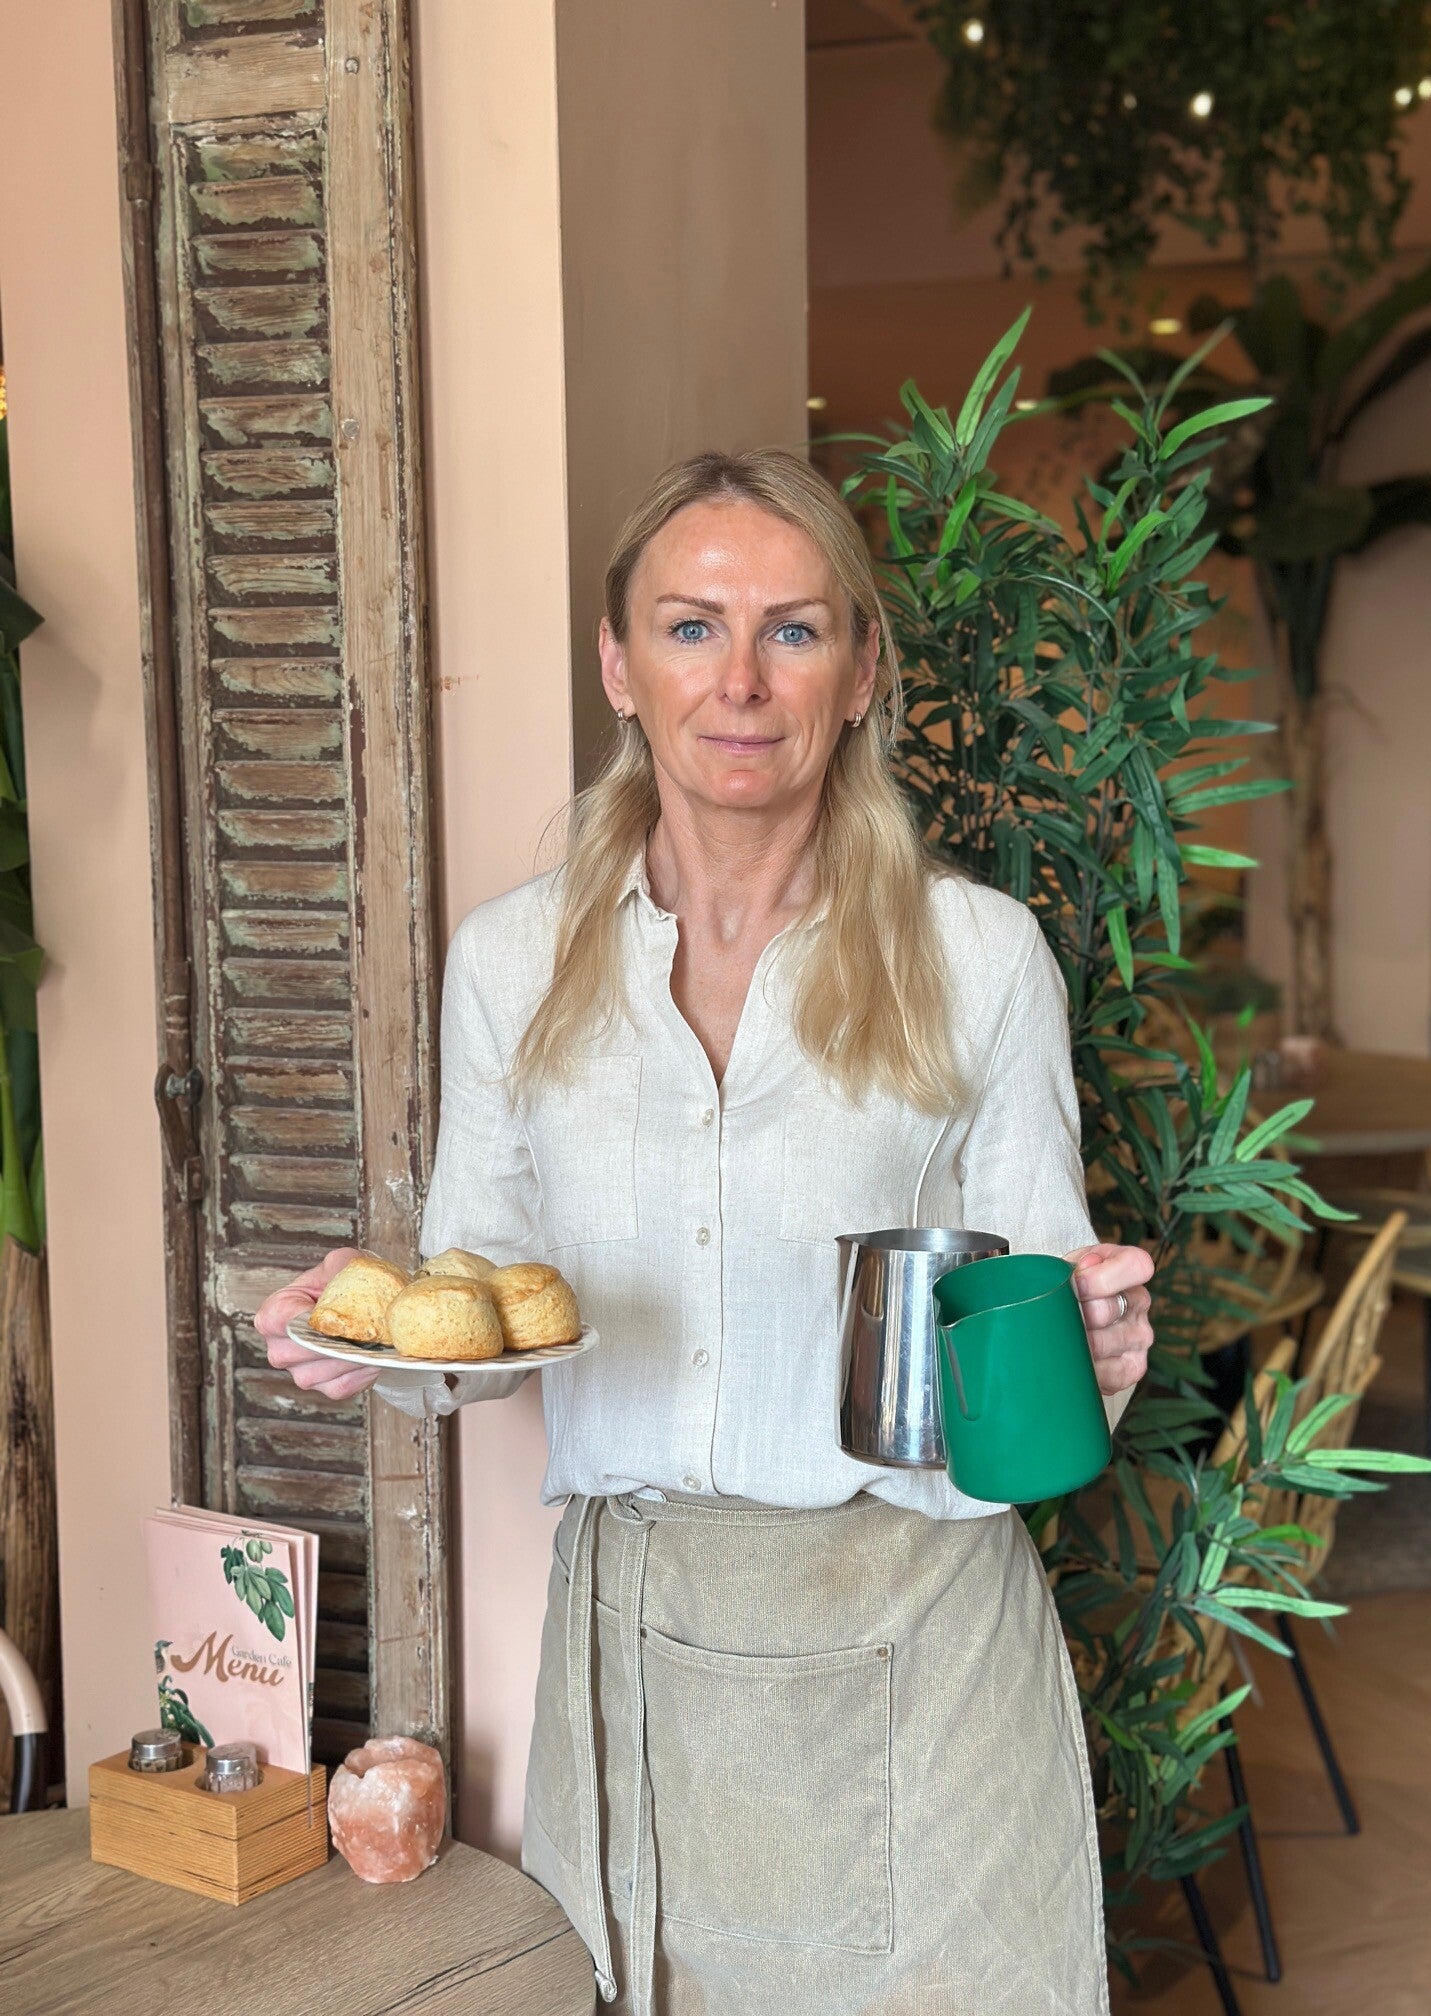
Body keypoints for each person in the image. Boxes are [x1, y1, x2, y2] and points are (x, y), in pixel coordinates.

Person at [257, 448, 1153, 2015]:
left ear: (861, 672)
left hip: (920, 1647)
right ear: (620, 665)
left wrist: (1092, 1346)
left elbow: (1031, 1354)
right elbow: (484, 1312)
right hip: (637, 1648)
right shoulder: (513, 963)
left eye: (794, 630)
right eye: (691, 627)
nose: (741, 681)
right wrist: (379, 1334)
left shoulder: (980, 959)